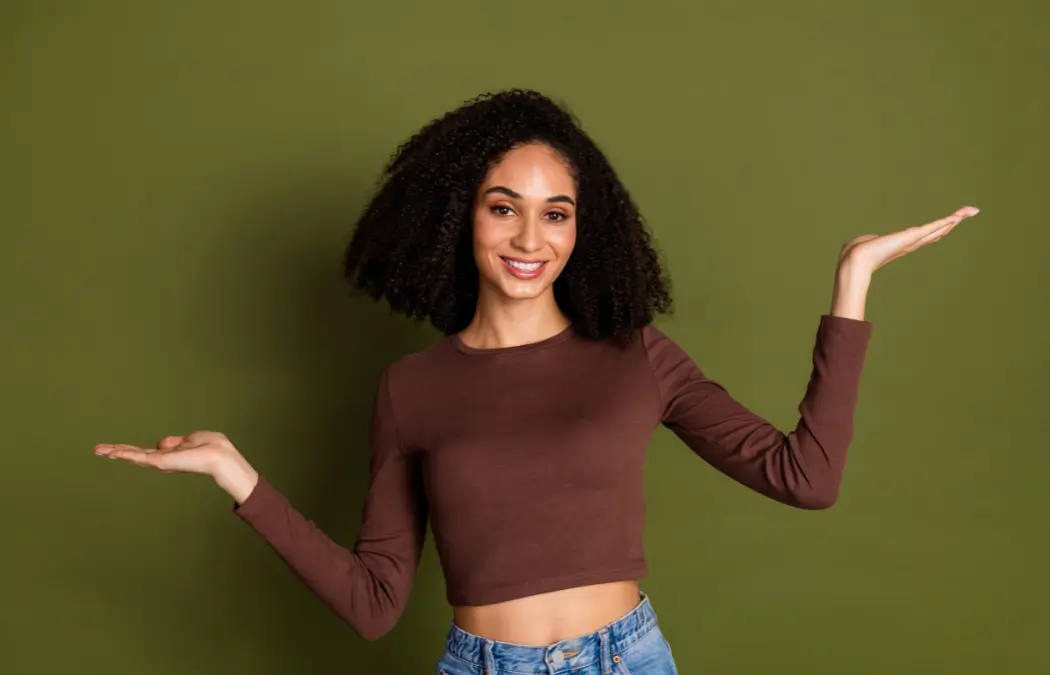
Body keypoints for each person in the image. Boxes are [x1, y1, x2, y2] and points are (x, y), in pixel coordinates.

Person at [93, 89, 979, 675]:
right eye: (501, 205)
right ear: (458, 217)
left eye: (556, 212)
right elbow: (374, 605)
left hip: (631, 660)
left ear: (583, 230)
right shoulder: (412, 387)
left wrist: (852, 283)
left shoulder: (638, 355)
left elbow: (807, 477)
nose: (530, 237)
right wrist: (237, 477)